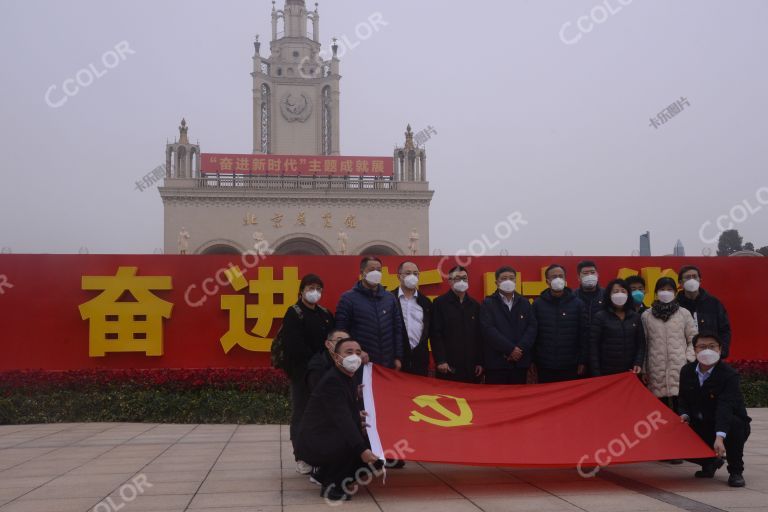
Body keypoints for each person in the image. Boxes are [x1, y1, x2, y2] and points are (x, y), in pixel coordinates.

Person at [295, 338, 380, 501]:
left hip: (326, 434)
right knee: (354, 442)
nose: (354, 357)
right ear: (335, 357)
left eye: (357, 352)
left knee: (371, 442)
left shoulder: (348, 377)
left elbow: (346, 412)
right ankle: (332, 487)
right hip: (315, 442)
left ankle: (324, 474)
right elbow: (343, 420)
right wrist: (362, 450)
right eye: (349, 352)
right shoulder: (333, 381)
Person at [679, 333, 751, 487]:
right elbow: (683, 399)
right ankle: (709, 463)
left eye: (712, 346)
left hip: (728, 423)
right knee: (673, 434)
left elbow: (725, 407)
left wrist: (720, 437)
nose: (707, 350)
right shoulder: (686, 371)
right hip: (701, 422)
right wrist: (684, 415)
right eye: (702, 347)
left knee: (735, 424)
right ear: (695, 350)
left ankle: (736, 471)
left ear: (720, 349)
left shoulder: (729, 375)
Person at [281, 274, 334, 475]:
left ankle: (320, 454)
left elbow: (333, 341)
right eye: (311, 288)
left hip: (325, 374)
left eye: (319, 289)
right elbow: (293, 346)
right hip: (302, 375)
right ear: (301, 290)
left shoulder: (325, 314)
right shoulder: (293, 313)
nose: (315, 292)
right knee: (302, 415)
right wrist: (314, 364)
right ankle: (301, 456)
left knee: (323, 416)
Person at [642, 276, 697, 464]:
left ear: (675, 292)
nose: (665, 292)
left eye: (669, 288)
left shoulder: (684, 314)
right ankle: (664, 450)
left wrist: (689, 360)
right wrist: (643, 368)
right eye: (661, 288)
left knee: (680, 411)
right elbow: (644, 344)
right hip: (656, 370)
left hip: (680, 369)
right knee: (660, 413)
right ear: (656, 292)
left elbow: (693, 339)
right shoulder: (647, 315)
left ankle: (679, 448)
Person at [335, 256, 404, 370]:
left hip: (388, 363)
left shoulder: (390, 298)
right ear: (362, 273)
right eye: (372, 270)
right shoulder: (348, 298)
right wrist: (357, 352)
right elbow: (341, 331)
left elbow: (397, 329)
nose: (376, 273)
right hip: (360, 362)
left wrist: (398, 357)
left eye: (379, 270)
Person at [480, 266, 537, 384]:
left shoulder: (525, 303)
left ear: (516, 281)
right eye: (504, 278)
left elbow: (532, 327)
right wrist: (510, 349)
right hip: (496, 363)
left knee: (519, 400)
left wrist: (519, 349)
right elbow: (488, 330)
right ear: (496, 282)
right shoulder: (488, 303)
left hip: (520, 363)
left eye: (511, 278)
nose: (508, 281)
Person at [531, 264, 588, 383]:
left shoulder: (577, 304)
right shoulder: (538, 304)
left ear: (565, 279)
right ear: (547, 281)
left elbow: (583, 334)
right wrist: (533, 361)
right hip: (544, 365)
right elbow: (533, 334)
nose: (558, 279)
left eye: (561, 276)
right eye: (554, 276)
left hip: (570, 365)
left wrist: (582, 360)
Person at [431, 265, 483, 383]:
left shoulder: (475, 305)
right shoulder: (440, 303)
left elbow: (479, 336)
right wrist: (441, 360)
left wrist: (480, 362)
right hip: (448, 366)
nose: (462, 281)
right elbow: (435, 334)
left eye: (464, 278)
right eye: (457, 278)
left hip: (471, 367)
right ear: (450, 281)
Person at [589, 278, 645, 376]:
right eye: (616, 291)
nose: (620, 294)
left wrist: (638, 362)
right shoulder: (600, 317)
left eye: (623, 291)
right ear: (609, 295)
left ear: (628, 295)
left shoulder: (635, 317)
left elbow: (640, 344)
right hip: (606, 372)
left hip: (630, 372)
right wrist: (596, 372)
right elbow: (593, 347)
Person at [676, 265, 733, 358]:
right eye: (687, 277)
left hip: (711, 356)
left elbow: (725, 330)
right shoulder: (675, 306)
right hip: (683, 358)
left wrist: (721, 351)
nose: (691, 280)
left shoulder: (714, 303)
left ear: (700, 280)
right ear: (680, 283)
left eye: (694, 276)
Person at [392, 261, 432, 376]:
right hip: (396, 360)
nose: (412, 276)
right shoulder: (389, 298)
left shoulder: (426, 302)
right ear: (399, 276)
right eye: (408, 273)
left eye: (415, 273)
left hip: (420, 361)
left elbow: (431, 332)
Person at [574, 260, 604, 327]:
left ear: (597, 275)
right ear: (578, 277)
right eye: (585, 273)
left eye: (593, 272)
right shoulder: (573, 296)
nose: (590, 275)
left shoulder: (606, 295)